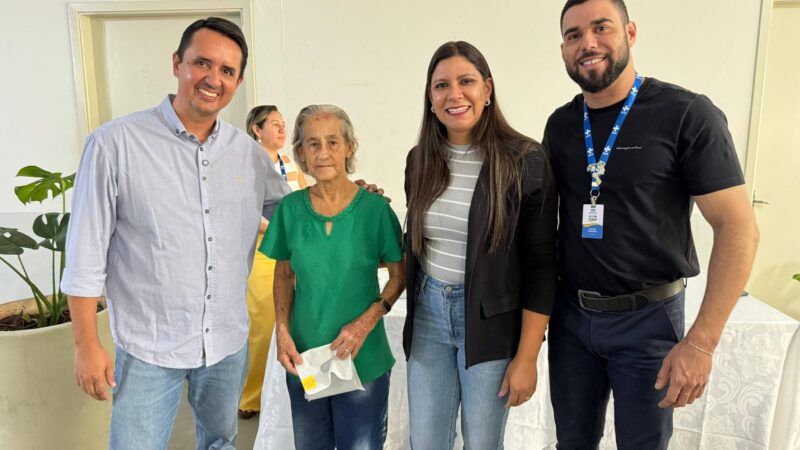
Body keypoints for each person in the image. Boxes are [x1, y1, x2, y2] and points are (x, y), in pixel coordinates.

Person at [60, 17, 291, 449]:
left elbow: (291, 216)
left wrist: (348, 199)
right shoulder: (115, 144)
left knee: (220, 442)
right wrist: (86, 344)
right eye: (202, 62)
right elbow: (85, 257)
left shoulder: (248, 154)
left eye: (227, 71)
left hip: (225, 341)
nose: (212, 78)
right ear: (177, 64)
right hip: (150, 346)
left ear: (238, 83)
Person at [544, 1, 760, 448]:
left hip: (648, 322)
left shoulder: (686, 114)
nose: (588, 43)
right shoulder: (561, 125)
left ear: (630, 32)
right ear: (563, 48)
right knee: (570, 443)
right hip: (571, 320)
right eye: (573, 35)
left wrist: (701, 343)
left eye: (601, 27)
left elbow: (739, 229)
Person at [403, 41, 558, 449]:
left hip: (492, 323)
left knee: (482, 442)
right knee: (426, 441)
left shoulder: (525, 159)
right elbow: (415, 241)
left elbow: (543, 266)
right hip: (428, 318)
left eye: (466, 81)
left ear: (487, 89)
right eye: (441, 86)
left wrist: (526, 358)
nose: (454, 94)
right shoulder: (420, 160)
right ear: (430, 98)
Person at [260, 104, 405, 450]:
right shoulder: (291, 210)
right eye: (312, 144)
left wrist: (365, 323)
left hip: (362, 360)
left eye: (333, 142)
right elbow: (284, 273)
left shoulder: (375, 211)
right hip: (305, 360)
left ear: (349, 148)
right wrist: (282, 329)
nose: (322, 153)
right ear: (300, 153)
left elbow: (400, 277)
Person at [238, 105, 308, 419]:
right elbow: (246, 211)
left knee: (297, 320)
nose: (282, 130)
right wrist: (281, 232)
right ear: (256, 128)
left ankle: (287, 390)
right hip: (263, 250)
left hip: (295, 248)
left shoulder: (289, 162)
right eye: (275, 124)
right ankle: (251, 397)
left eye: (283, 124)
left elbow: (307, 198)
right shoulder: (246, 161)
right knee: (264, 324)